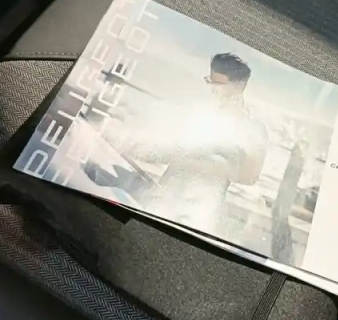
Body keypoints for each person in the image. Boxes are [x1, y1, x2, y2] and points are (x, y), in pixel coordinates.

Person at [86, 52, 268, 235]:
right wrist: (132, 146)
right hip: (165, 195)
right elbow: (168, 148)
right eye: (210, 81)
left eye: (219, 84)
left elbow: (250, 177)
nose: (213, 89)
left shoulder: (252, 128)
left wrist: (220, 160)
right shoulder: (199, 110)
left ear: (239, 86)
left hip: (202, 206)